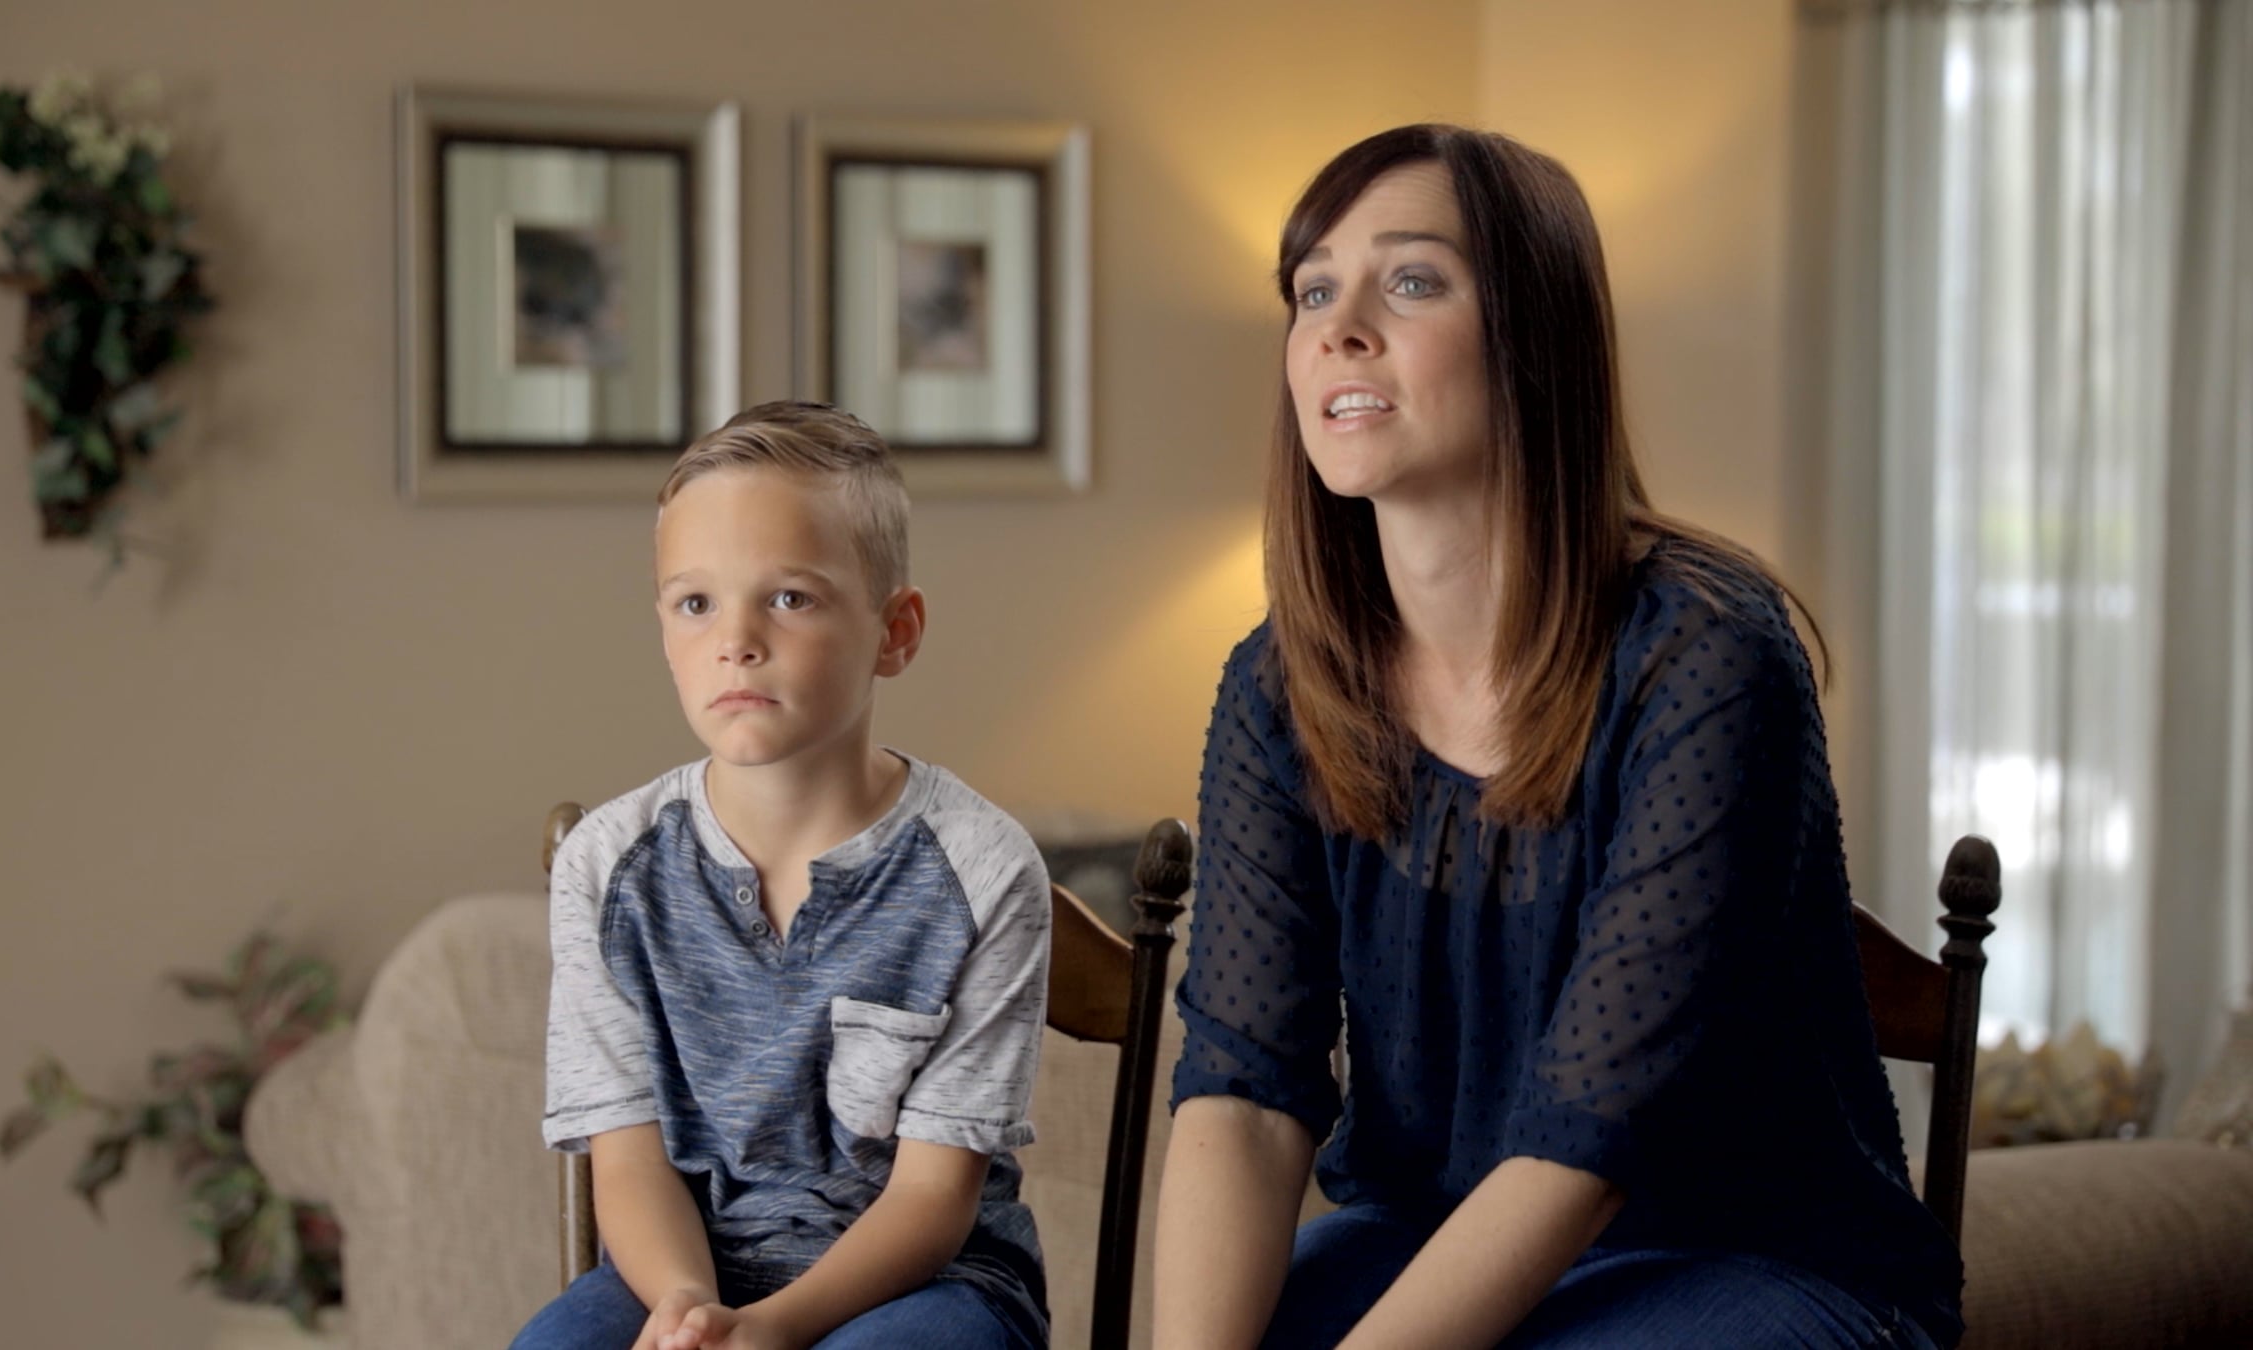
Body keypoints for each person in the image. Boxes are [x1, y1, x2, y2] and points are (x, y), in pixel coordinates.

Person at [1150, 125, 1964, 1350]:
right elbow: (1246, 1098)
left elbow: (1593, 1139)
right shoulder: (1276, 688)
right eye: (1312, 291)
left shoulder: (1707, 657)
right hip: (1426, 1233)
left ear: (1532, 336)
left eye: (1411, 280)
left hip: (1752, 1257)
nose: (1339, 329)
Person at [512, 402, 1052, 1350]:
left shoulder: (984, 871)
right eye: (696, 604)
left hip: (930, 1285)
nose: (737, 640)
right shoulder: (607, 866)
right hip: (682, 1267)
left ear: (895, 631)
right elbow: (628, 1163)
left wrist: (771, 1330)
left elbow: (934, 1196)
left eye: (790, 598)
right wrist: (692, 1312)